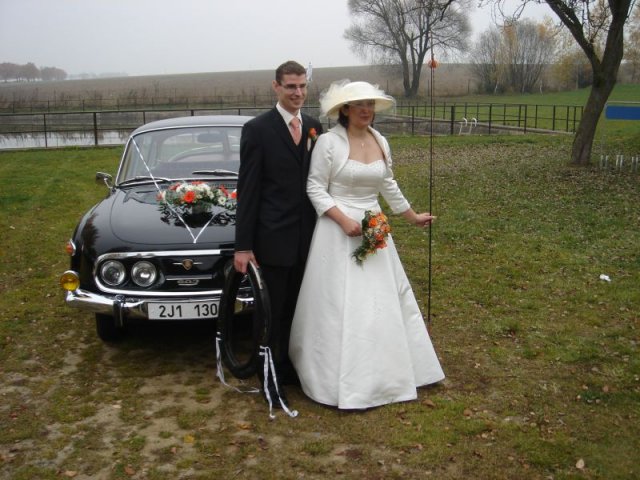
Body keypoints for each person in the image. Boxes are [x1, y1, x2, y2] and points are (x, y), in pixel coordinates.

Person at [289, 80, 445, 410]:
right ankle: (335, 375)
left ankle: (389, 369)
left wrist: (412, 216)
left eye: (370, 104)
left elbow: (388, 183)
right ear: (345, 110)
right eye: (359, 104)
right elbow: (315, 188)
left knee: (381, 297)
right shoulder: (329, 143)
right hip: (337, 231)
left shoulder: (380, 140)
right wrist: (342, 220)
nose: (366, 110)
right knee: (341, 300)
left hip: (374, 229)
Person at [233, 60, 323, 407]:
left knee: (298, 309)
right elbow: (248, 190)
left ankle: (289, 369)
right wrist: (243, 246)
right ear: (276, 87)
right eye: (290, 87)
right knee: (270, 312)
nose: (298, 93)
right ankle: (268, 375)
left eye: (302, 86)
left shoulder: (314, 127)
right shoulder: (257, 130)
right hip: (272, 239)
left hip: (309, 239)